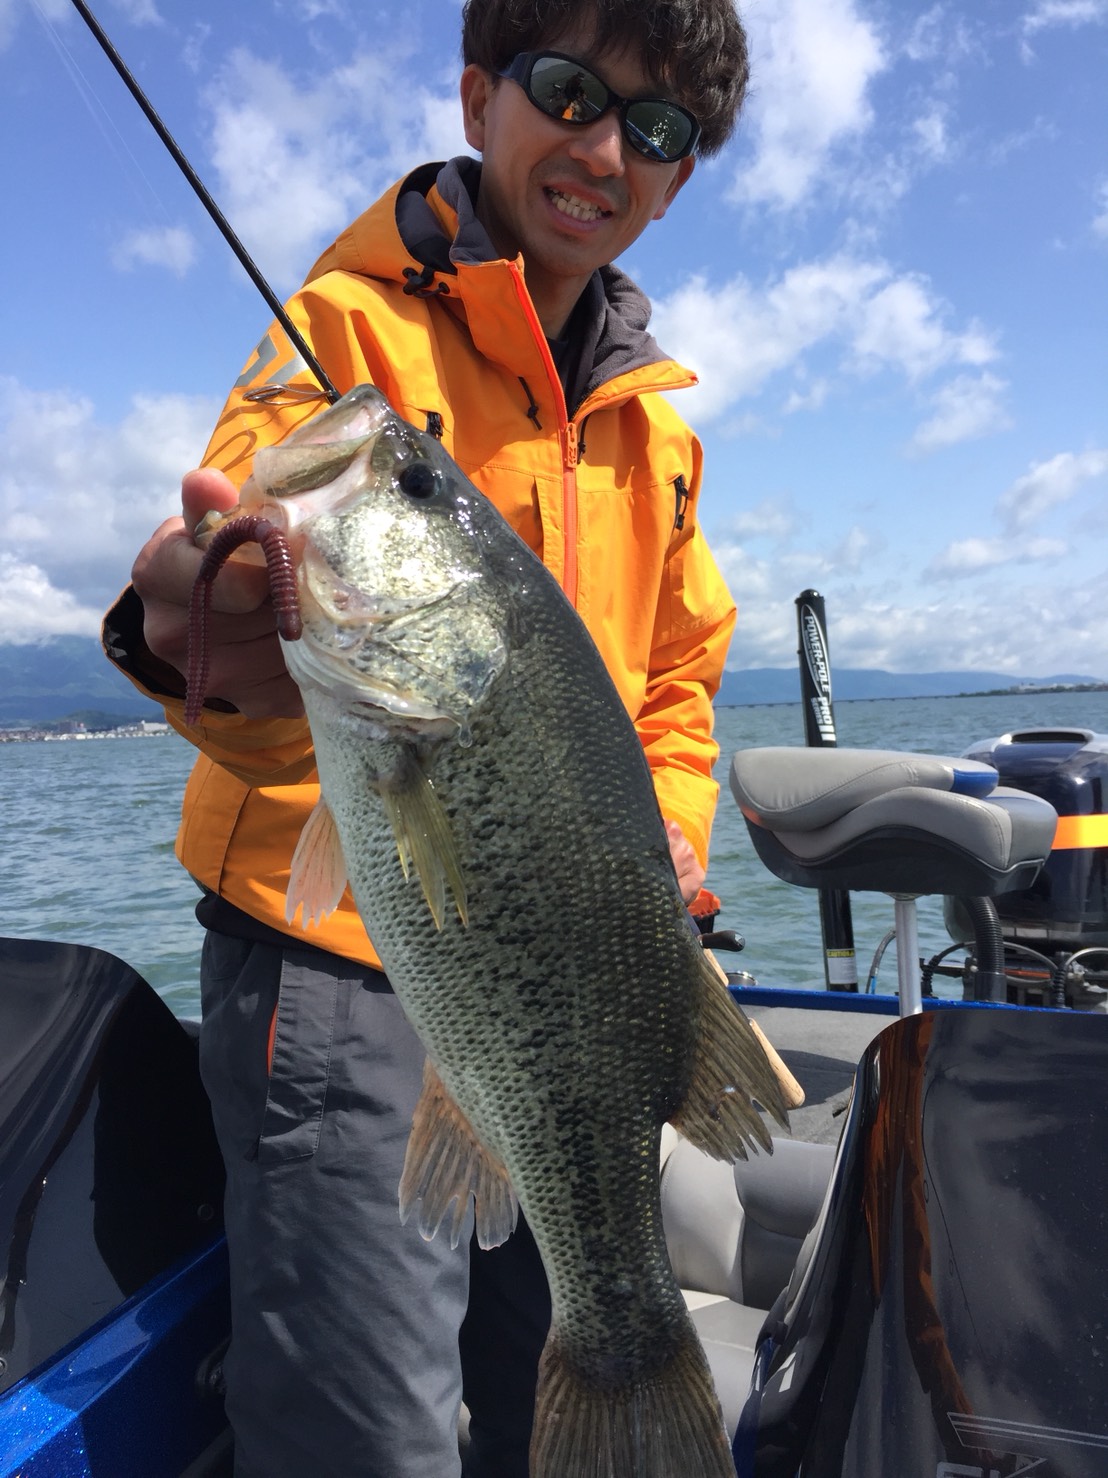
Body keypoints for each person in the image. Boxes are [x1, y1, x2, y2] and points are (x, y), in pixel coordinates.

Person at [103, 0, 751, 1472]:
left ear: (676, 180)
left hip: (578, 968)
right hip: (333, 974)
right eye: (570, 91)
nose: (605, 149)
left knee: (548, 1379)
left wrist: (669, 831)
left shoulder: (658, 429)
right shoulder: (347, 330)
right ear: (477, 97)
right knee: (369, 1430)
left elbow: (678, 678)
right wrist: (213, 639)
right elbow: (244, 582)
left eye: (656, 129)